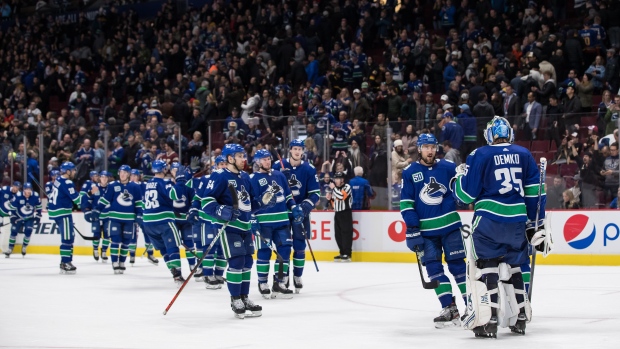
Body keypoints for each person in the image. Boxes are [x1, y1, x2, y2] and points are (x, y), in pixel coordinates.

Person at [451, 116, 551, 337]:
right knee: (514, 265)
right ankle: (520, 317)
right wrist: (537, 224)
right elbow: (536, 192)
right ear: (510, 134)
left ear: (489, 135)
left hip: (489, 221)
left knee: (486, 264)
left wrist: (457, 179)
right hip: (516, 220)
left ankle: (489, 319)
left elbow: (466, 194)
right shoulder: (524, 154)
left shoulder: (480, 154)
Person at [400, 133, 465, 328]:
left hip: (451, 227)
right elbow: (406, 203)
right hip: (427, 232)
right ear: (419, 149)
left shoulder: (448, 167)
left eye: (433, 147)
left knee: (458, 267)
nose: (430, 150)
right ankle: (449, 308)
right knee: (434, 268)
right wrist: (412, 228)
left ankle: (472, 306)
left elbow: (461, 193)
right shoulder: (410, 172)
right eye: (426, 147)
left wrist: (463, 179)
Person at [196, 144, 262, 319]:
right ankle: (235, 299)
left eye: (244, 156)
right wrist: (222, 211)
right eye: (240, 156)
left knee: (248, 262)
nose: (244, 159)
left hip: (245, 227)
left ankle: (244, 297)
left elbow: (250, 204)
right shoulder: (219, 176)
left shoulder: (245, 177)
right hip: (228, 227)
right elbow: (207, 202)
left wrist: (263, 202)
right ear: (230, 158)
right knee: (237, 261)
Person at [248, 149, 303, 299]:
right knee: (264, 252)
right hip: (263, 223)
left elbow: (288, 195)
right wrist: (252, 217)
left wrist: (294, 207)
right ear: (257, 162)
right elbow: (250, 202)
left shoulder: (279, 175)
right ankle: (262, 282)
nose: (268, 161)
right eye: (264, 159)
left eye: (269, 159)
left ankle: (279, 282)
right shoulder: (252, 178)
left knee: (285, 250)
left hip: (282, 221)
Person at [272, 140, 321, 293]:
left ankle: (297, 276)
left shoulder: (309, 169)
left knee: (299, 246)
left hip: (300, 212)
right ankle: (282, 277)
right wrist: (280, 178)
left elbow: (315, 194)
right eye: (295, 149)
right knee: (284, 246)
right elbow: (269, 189)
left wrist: (304, 207)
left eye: (300, 149)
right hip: (283, 212)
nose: (297, 151)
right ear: (290, 150)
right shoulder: (277, 166)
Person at [141, 160, 188, 284]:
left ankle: (173, 271)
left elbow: (143, 203)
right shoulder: (165, 183)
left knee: (163, 249)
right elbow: (175, 195)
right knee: (172, 247)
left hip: (148, 223)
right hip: (163, 221)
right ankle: (177, 275)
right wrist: (180, 181)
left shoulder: (147, 184)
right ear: (164, 170)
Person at [92, 165, 143, 274]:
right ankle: (114, 262)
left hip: (129, 219)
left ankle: (122, 262)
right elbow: (105, 200)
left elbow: (138, 203)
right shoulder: (112, 186)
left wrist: (139, 214)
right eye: (120, 172)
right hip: (115, 218)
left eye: (125, 172)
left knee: (126, 242)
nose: (122, 174)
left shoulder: (135, 187)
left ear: (128, 174)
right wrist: (97, 210)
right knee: (115, 240)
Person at [188, 155, 228, 289]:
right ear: (215, 166)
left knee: (223, 249)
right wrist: (193, 209)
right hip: (208, 219)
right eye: (220, 164)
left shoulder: (231, 179)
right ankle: (208, 274)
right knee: (209, 248)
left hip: (225, 221)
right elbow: (197, 198)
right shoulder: (206, 179)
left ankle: (218, 274)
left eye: (224, 164)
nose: (222, 166)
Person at [48, 162, 81, 274]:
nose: (75, 172)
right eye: (73, 170)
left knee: (70, 236)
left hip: (57, 212)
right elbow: (77, 200)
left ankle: (66, 261)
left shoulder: (59, 179)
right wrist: (90, 194)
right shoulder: (67, 182)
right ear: (67, 171)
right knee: (67, 238)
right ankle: (65, 262)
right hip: (63, 213)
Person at [170, 163, 197, 272]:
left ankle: (192, 266)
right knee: (173, 244)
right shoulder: (167, 184)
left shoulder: (188, 186)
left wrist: (191, 212)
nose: (176, 172)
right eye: (174, 170)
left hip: (186, 220)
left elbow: (194, 201)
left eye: (177, 170)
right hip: (174, 220)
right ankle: (177, 269)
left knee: (189, 242)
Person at [4, 183, 41, 257]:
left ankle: (24, 247)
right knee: (13, 231)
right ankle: (10, 248)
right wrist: (13, 217)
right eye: (26, 189)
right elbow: (12, 208)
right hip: (18, 217)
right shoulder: (18, 196)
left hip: (29, 218)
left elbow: (39, 206)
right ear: (23, 190)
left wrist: (38, 215)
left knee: (28, 231)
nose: (28, 191)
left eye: (29, 189)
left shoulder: (35, 196)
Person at [129, 169, 158, 265]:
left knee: (147, 233)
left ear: (138, 177)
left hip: (143, 214)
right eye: (131, 176)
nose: (133, 178)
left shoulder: (144, 185)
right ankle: (132, 254)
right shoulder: (128, 186)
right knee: (132, 234)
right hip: (131, 214)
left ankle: (150, 254)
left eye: (135, 176)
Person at [80, 171, 108, 262]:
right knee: (97, 234)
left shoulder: (111, 188)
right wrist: (86, 210)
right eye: (102, 177)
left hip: (108, 215)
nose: (104, 179)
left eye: (106, 177)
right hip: (96, 214)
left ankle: (104, 251)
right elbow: (85, 198)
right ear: (100, 178)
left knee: (107, 235)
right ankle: (95, 249)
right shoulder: (94, 187)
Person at [328, 171, 353, 261]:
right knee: (338, 234)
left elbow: (342, 196)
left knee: (346, 233)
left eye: (338, 179)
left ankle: (347, 253)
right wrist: (329, 199)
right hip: (337, 213)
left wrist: (334, 189)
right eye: (335, 178)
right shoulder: (335, 189)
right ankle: (342, 252)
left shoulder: (347, 187)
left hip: (345, 213)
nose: (336, 180)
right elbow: (334, 202)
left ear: (342, 180)